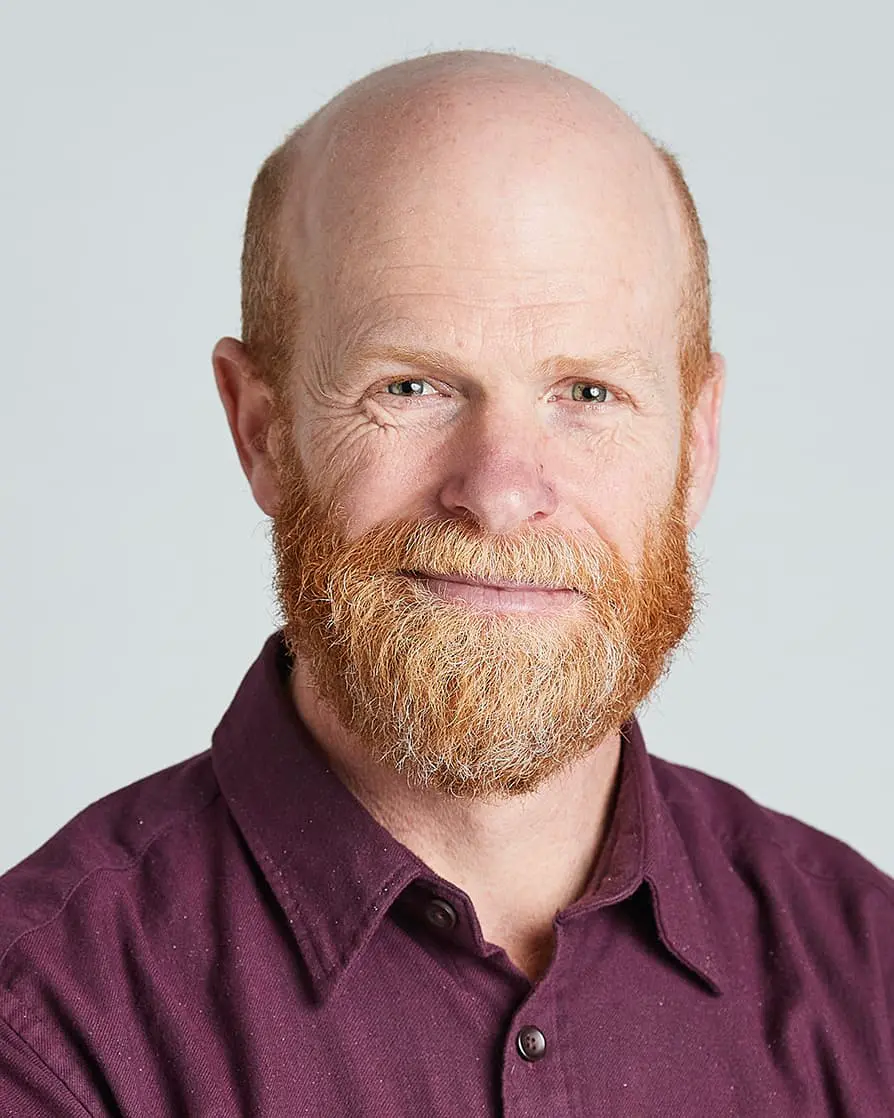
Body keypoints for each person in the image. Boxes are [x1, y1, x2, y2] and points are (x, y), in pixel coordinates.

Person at [1, 48, 891, 1117]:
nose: (502, 490)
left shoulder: (869, 975)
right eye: (411, 384)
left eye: (589, 390)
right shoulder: (47, 1024)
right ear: (262, 429)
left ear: (697, 447)